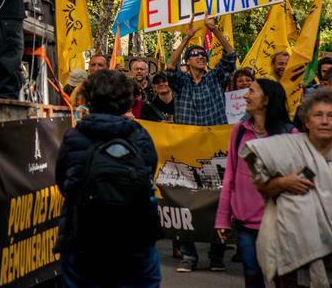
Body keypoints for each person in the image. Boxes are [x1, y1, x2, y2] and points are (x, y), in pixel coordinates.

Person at [56, 69, 161, 287]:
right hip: (135, 240)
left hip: (84, 240)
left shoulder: (74, 137)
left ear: (89, 99)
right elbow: (149, 173)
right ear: (126, 100)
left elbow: (63, 183)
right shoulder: (140, 135)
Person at [163, 17, 236, 271]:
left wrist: (214, 30)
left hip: (214, 153)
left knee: (217, 202)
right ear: (188, 61)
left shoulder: (216, 78)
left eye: (203, 55)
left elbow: (230, 55)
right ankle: (189, 256)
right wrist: (186, 37)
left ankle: (216, 257)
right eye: (195, 55)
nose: (201, 58)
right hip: (186, 151)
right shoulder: (181, 83)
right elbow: (169, 68)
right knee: (186, 202)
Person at [243, 89, 332, 286]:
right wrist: (282, 183)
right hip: (291, 249)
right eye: (318, 115)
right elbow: (262, 186)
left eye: (331, 116)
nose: (325, 121)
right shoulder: (285, 150)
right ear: (306, 121)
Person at [215, 79, 295, 287]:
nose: (245, 95)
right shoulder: (239, 131)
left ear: (266, 100)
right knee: (252, 277)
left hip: (280, 225)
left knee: (284, 281)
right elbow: (230, 175)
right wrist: (223, 218)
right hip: (245, 225)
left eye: (251, 91)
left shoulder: (290, 134)